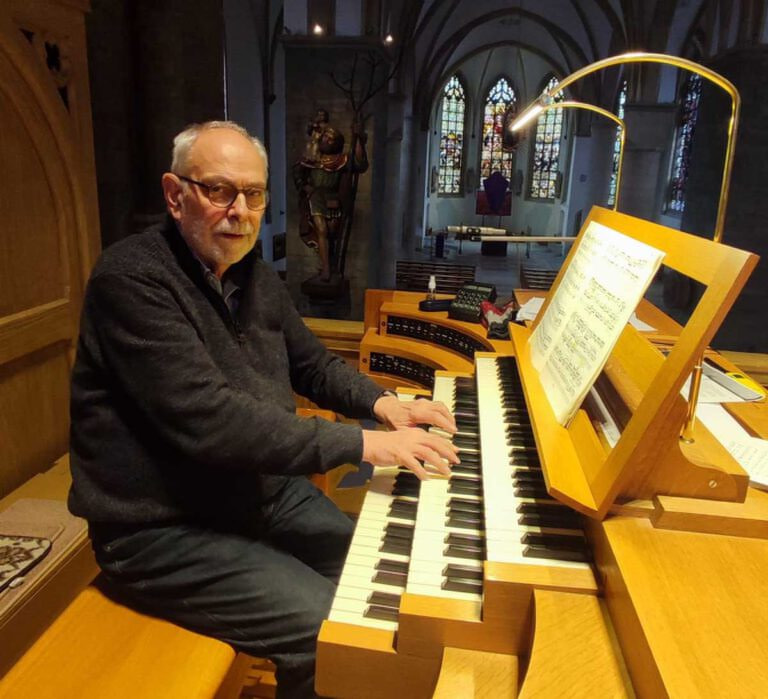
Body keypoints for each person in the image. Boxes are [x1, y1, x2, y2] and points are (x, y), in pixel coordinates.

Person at [68, 120, 459, 699]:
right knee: (328, 629)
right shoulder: (132, 281)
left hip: (259, 494)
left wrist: (385, 405)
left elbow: (312, 365)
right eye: (219, 190)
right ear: (175, 195)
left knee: (389, 572)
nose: (240, 210)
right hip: (162, 528)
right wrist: (364, 444)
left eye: (253, 194)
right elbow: (212, 421)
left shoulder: (252, 274)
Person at [293, 120, 368, 282]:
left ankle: (329, 265)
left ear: (337, 143)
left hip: (333, 198)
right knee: (321, 229)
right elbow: (298, 173)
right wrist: (305, 187)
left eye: (331, 138)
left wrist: (359, 137)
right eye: (325, 136)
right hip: (315, 196)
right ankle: (326, 270)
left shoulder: (341, 160)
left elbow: (359, 163)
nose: (326, 140)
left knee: (332, 233)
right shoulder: (313, 158)